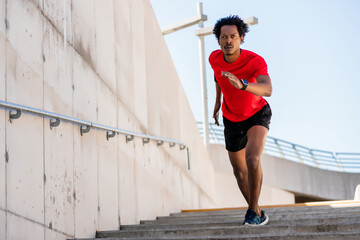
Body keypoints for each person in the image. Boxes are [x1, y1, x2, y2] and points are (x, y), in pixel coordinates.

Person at [209, 15, 272, 226]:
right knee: (239, 172)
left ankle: (252, 213)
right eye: (224, 37)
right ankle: (257, 211)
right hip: (231, 118)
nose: (228, 41)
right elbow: (218, 77)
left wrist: (243, 85)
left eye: (233, 36)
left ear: (241, 38)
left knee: (252, 159)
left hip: (256, 113)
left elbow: (268, 88)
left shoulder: (254, 61)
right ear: (218, 40)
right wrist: (218, 102)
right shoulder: (214, 58)